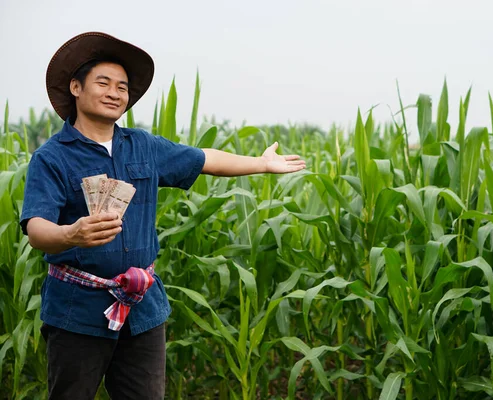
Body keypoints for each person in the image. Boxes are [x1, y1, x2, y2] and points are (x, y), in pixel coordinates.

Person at [20, 31, 305, 400]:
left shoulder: (143, 145)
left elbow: (205, 159)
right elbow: (37, 228)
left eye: (122, 87)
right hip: (77, 313)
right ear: (76, 87)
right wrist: (72, 233)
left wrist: (263, 165)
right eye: (103, 83)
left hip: (142, 310)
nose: (115, 93)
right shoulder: (52, 157)